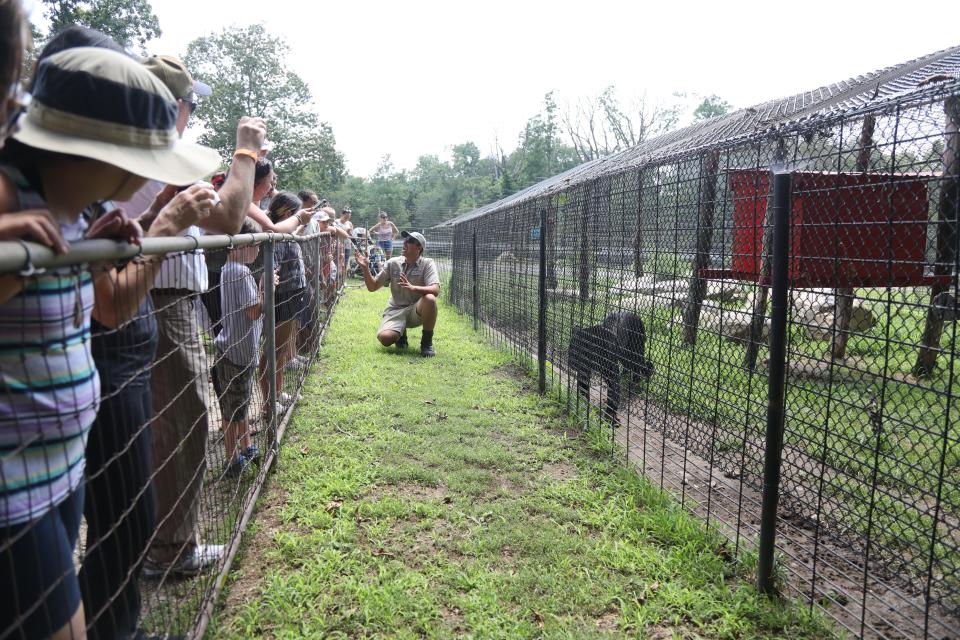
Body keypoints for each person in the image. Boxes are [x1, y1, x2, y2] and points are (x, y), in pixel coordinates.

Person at [0, 46, 221, 640]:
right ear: (109, 155)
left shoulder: (76, 217)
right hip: (14, 490)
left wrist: (94, 250)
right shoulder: (9, 198)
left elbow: (110, 307)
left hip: (60, 470)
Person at [114, 54, 268, 580]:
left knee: (165, 422)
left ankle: (157, 546)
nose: (191, 113)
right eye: (190, 103)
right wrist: (245, 151)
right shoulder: (157, 155)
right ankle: (168, 551)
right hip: (156, 297)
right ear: (173, 106)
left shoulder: (147, 154)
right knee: (183, 421)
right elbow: (229, 214)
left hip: (163, 296)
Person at [213, 219, 265, 476]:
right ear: (239, 244)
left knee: (240, 404)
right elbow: (254, 311)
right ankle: (232, 459)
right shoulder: (240, 272)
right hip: (237, 353)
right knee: (232, 410)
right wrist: (267, 289)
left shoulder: (229, 269)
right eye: (253, 244)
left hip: (237, 350)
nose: (257, 250)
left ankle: (246, 446)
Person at [258, 192, 308, 411]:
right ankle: (269, 402)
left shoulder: (283, 231)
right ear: (288, 213)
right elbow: (273, 268)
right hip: (283, 297)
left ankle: (277, 393)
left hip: (291, 295)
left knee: (280, 351)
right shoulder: (276, 236)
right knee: (273, 351)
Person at [356, 230, 440, 357]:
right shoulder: (393, 263)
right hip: (395, 310)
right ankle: (401, 335)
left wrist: (413, 287)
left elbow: (435, 290)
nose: (405, 242)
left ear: (419, 247)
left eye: (410, 241)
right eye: (405, 240)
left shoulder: (427, 263)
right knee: (385, 339)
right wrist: (365, 268)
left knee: (430, 299)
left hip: (416, 310)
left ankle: (426, 343)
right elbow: (372, 287)